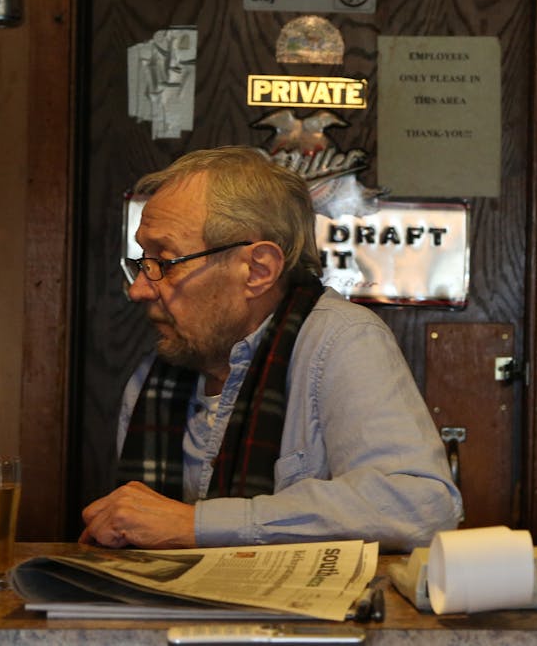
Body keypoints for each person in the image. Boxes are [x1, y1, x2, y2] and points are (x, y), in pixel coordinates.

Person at [81, 146, 462, 551]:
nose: (139, 288)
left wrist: (197, 524)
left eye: (167, 261)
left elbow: (421, 506)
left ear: (257, 270)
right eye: (143, 260)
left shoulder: (341, 340)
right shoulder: (155, 376)